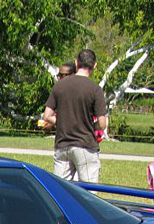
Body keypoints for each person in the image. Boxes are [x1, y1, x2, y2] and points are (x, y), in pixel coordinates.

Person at [41, 49, 107, 182]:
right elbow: (102, 124)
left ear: (76, 63)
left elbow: (47, 116)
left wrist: (62, 122)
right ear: (95, 65)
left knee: (60, 190)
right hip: (85, 146)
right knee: (88, 194)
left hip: (62, 145)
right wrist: (90, 125)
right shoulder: (95, 89)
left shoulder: (60, 86)